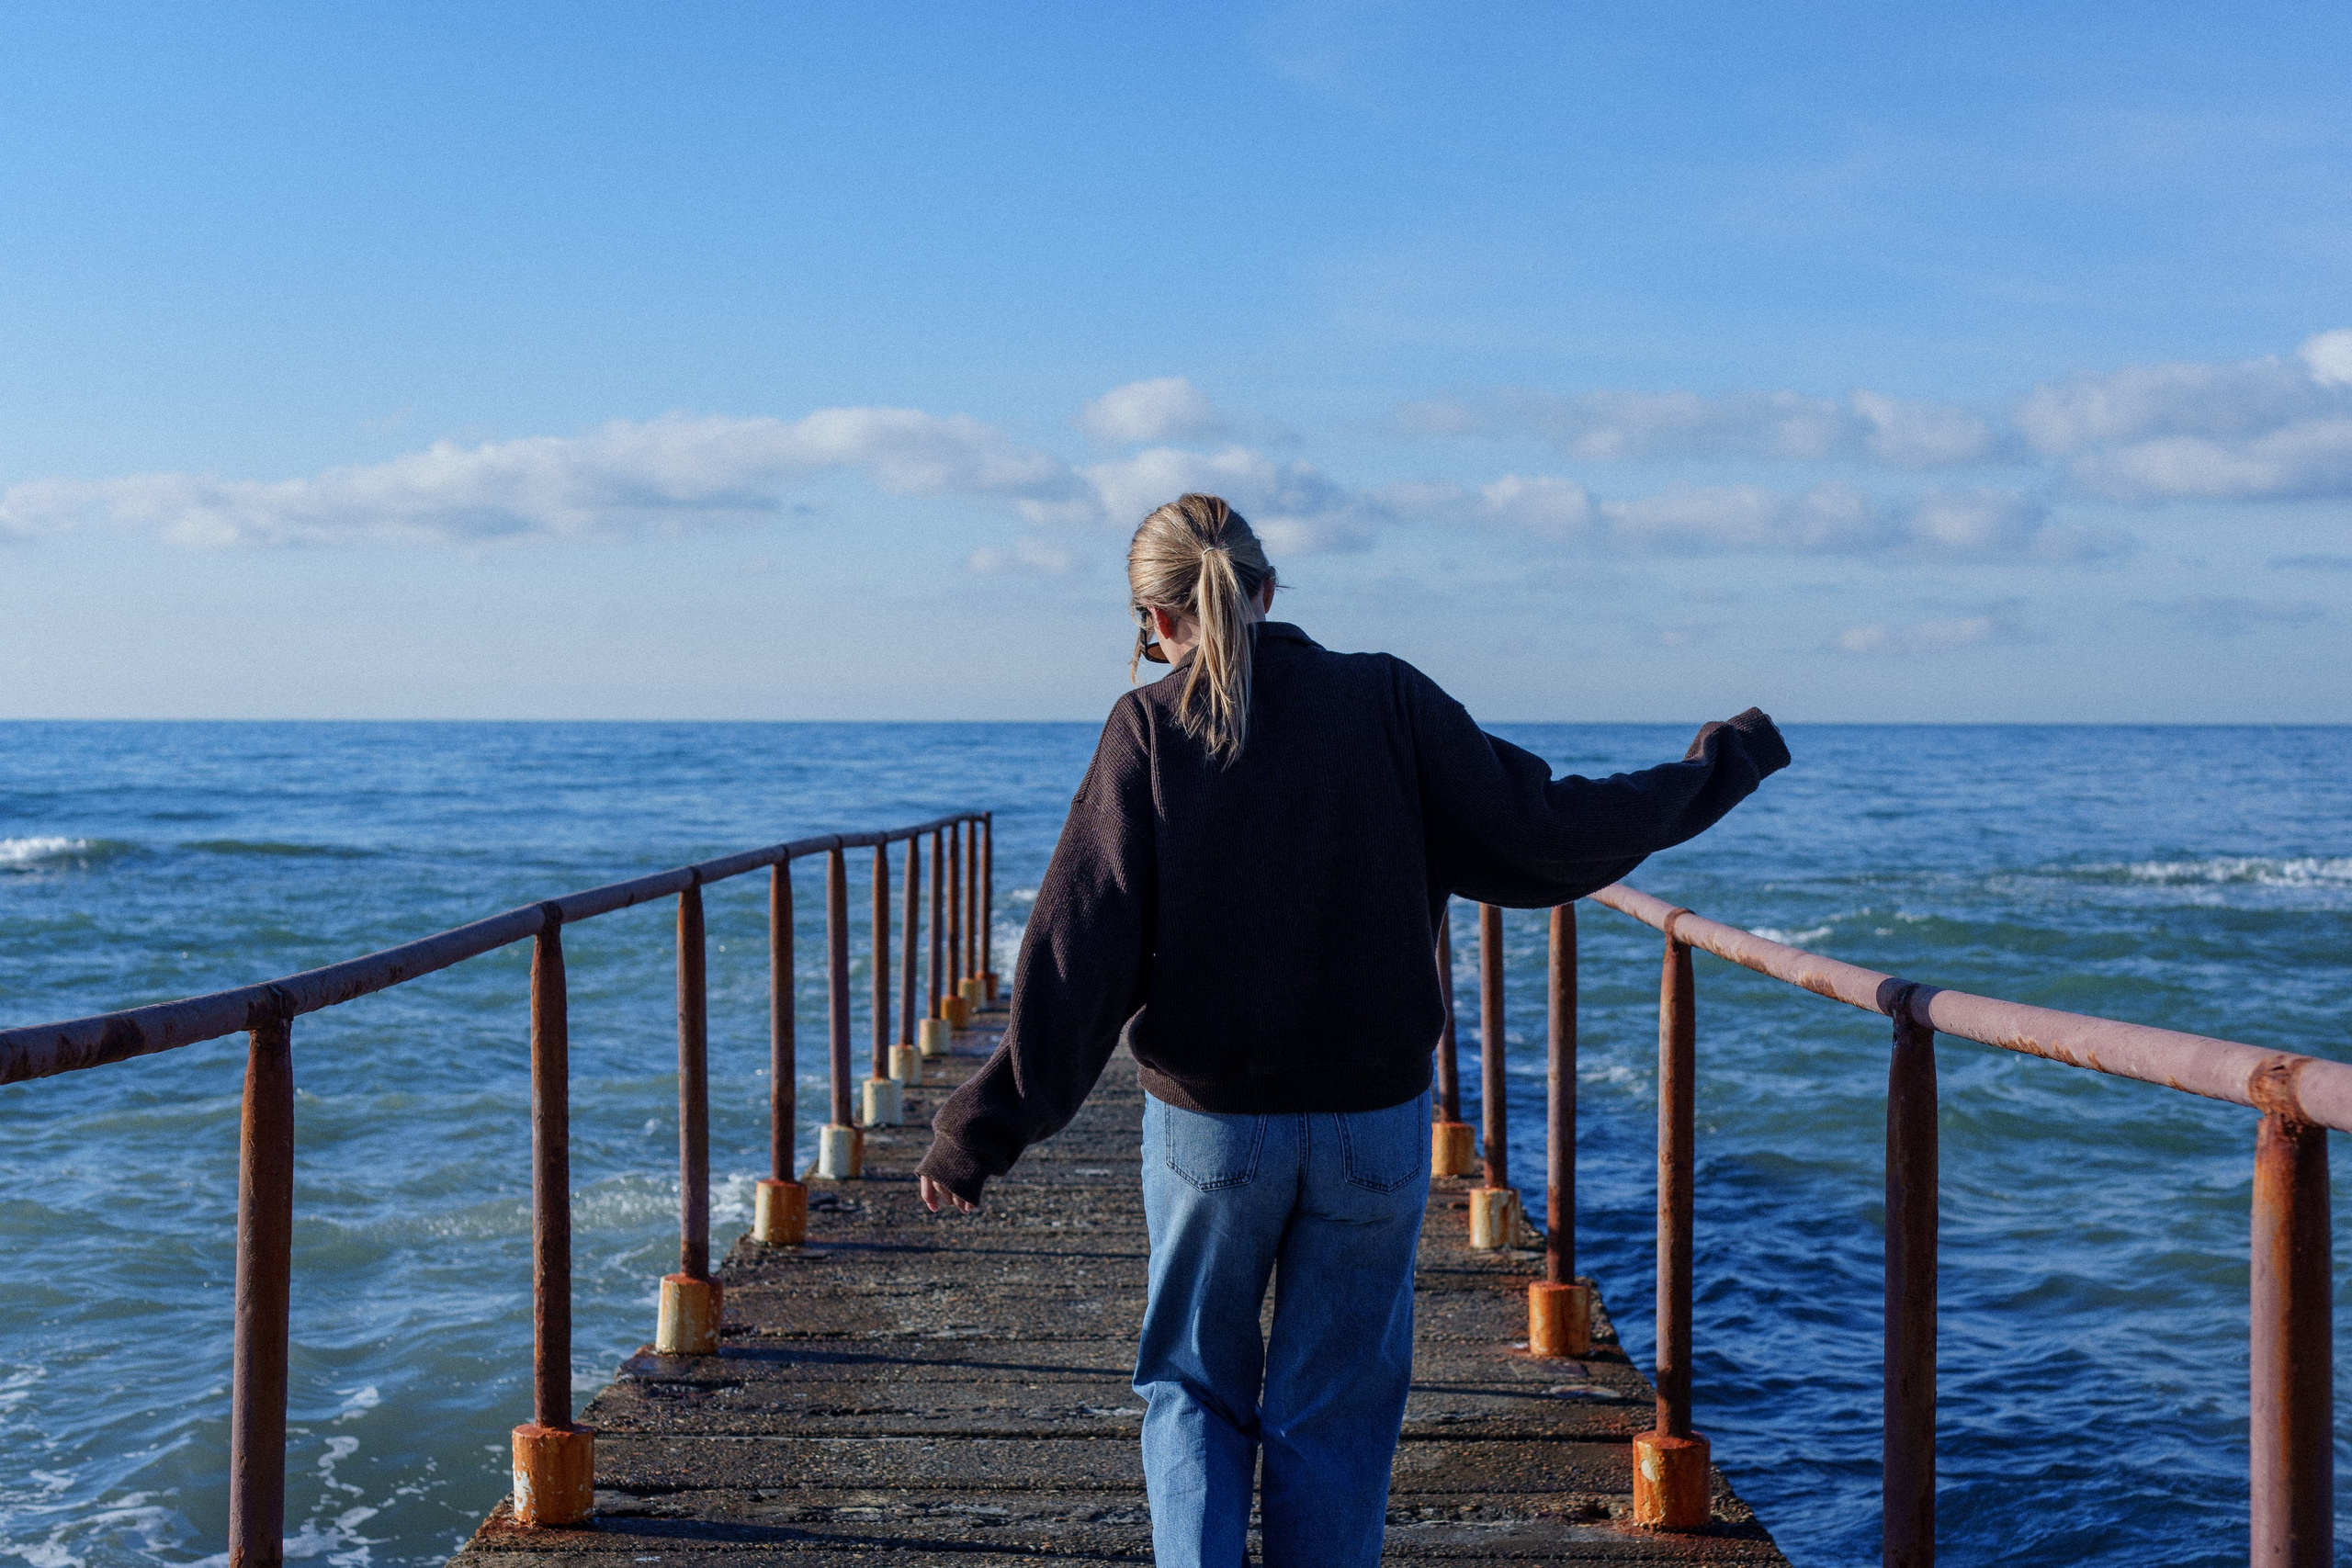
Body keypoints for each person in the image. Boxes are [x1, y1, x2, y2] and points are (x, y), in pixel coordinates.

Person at [917, 493, 1789, 1568]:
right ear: (1269, 589)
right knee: (1333, 1409)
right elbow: (1547, 830)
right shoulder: (1384, 698)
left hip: (1214, 1133)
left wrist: (981, 1130)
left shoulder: (1146, 725)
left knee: (1192, 1388)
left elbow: (1076, 950)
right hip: (1374, 1128)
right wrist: (1722, 766)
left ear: (1154, 619)